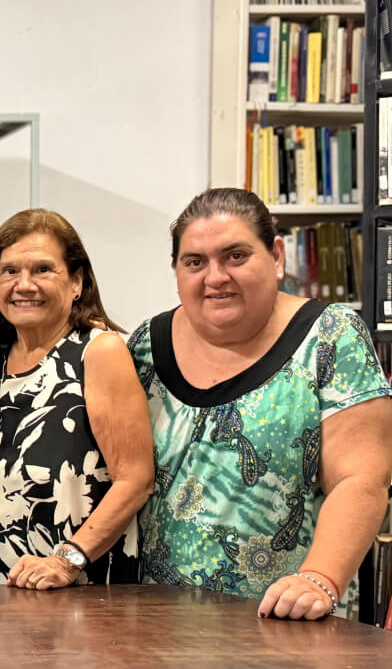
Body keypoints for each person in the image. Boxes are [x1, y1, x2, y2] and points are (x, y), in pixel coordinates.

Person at [129, 188, 392, 620]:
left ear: (275, 255)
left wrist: (318, 579)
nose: (215, 277)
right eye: (195, 262)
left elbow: (361, 479)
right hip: (158, 626)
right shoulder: (145, 346)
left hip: (288, 621)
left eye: (235, 256)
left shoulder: (331, 337)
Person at [0, 209, 154, 588]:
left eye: (43, 270)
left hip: (82, 591)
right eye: (10, 271)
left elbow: (135, 479)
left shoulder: (98, 352)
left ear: (76, 283)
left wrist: (67, 560)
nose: (24, 284)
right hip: (3, 594)